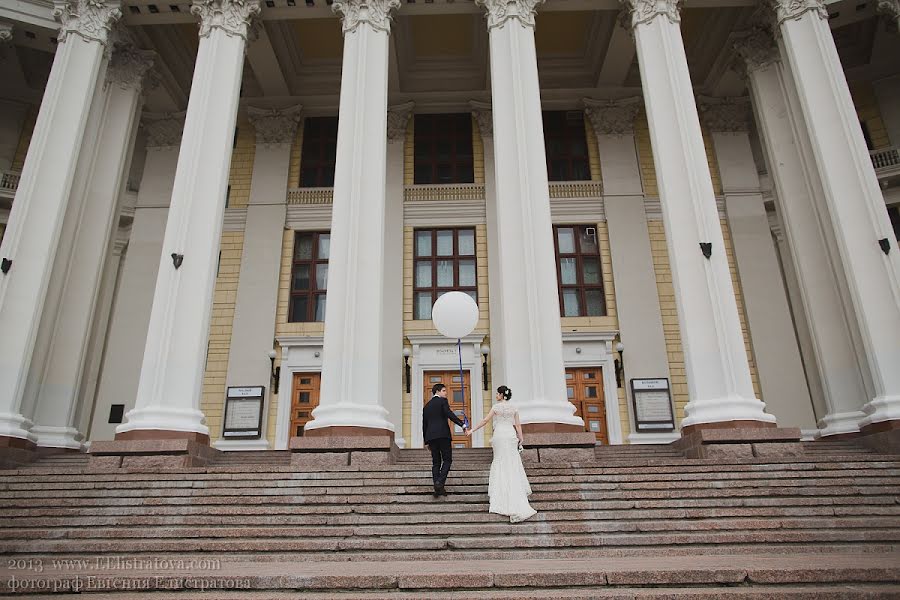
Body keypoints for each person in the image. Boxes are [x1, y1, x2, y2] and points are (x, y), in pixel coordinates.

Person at [466, 385, 537, 523]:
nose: (496, 396)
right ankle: (515, 495)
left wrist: (472, 430)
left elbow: (485, 421)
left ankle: (500, 495)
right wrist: (521, 437)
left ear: (501, 395)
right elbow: (518, 425)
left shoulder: (496, 407)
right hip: (510, 435)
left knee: (499, 461)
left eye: (497, 394)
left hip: (499, 435)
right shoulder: (514, 408)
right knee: (512, 462)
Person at [422, 382, 467, 497]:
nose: (446, 393)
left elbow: (424, 425)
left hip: (431, 437)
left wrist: (426, 441)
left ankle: (438, 488)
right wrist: (461, 424)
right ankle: (439, 482)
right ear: (437, 392)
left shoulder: (426, 406)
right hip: (443, 435)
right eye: (444, 391)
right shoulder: (442, 401)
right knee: (447, 460)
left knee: (436, 462)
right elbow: (449, 414)